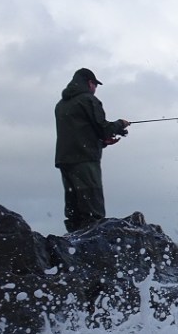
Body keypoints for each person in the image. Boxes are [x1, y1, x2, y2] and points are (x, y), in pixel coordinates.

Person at [53, 67, 130, 232]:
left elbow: (79, 132)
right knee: (92, 207)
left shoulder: (61, 105)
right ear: (89, 83)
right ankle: (93, 247)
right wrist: (120, 124)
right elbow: (103, 127)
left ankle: (72, 243)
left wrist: (102, 142)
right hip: (85, 159)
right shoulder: (88, 100)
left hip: (65, 160)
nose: (95, 89)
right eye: (95, 85)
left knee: (73, 207)